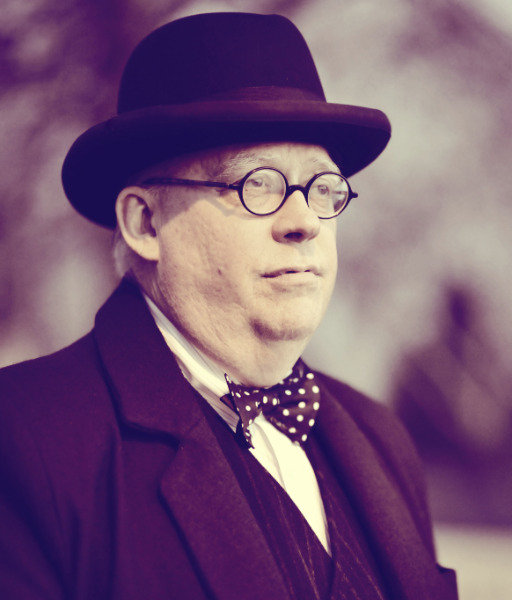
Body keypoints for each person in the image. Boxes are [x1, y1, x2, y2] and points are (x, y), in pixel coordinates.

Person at [0, 12, 458, 600]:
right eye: (258, 185)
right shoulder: (25, 437)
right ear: (145, 223)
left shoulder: (382, 438)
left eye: (323, 189)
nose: (305, 222)